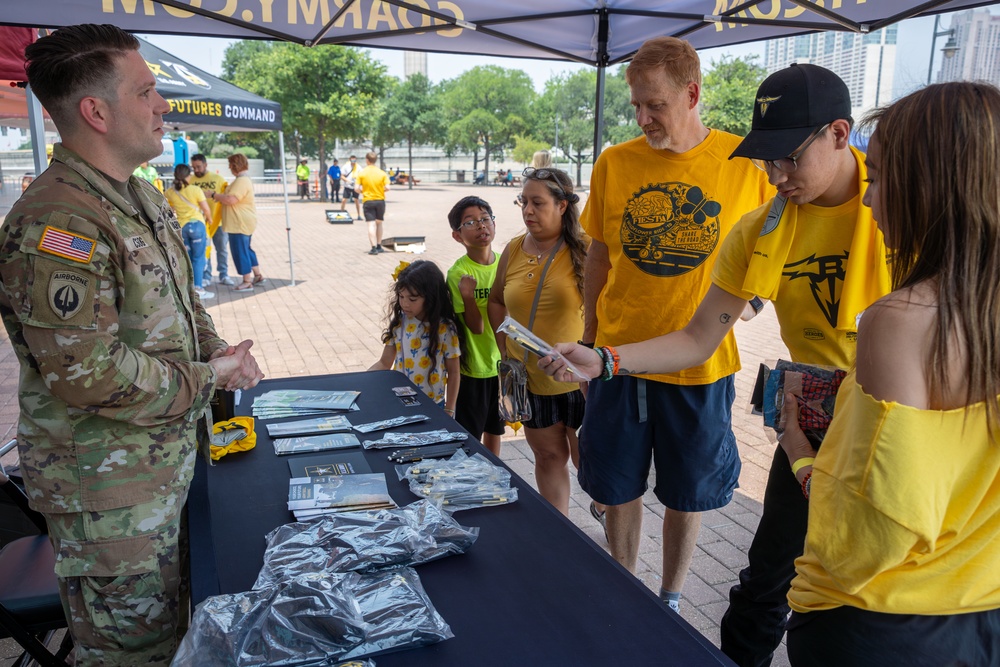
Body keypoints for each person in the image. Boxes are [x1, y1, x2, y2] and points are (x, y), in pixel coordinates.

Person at [541, 63, 891, 653]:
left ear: (838, 134)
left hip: (894, 421)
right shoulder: (763, 226)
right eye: (767, 160)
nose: (776, 175)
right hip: (813, 420)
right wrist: (607, 359)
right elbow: (700, 334)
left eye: (789, 158)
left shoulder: (902, 211)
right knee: (767, 582)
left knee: (870, 591)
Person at [0, 24, 264, 666]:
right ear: (95, 111)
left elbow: (182, 298)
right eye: (146, 91)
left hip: (164, 470)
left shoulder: (136, 194)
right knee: (136, 656)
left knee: (181, 638)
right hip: (111, 501)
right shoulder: (60, 220)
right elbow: (86, 373)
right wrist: (209, 377)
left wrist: (223, 353)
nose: (163, 105)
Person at [779, 81, 1000, 666]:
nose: (870, 200)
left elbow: (871, 538)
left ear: (935, 186)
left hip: (879, 623)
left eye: (878, 178)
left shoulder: (900, 321)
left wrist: (803, 455)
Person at [562, 36, 772, 612]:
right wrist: (588, 340)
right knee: (616, 486)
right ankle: (623, 587)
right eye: (635, 105)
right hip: (618, 357)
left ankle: (672, 598)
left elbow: (768, 255)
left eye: (654, 103)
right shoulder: (616, 162)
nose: (643, 117)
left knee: (690, 493)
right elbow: (599, 258)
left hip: (702, 368)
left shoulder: (744, 164)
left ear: (693, 93)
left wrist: (751, 306)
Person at [487, 167, 588, 517]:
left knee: (588, 463)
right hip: (530, 380)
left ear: (562, 205)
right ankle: (560, 528)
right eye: (523, 202)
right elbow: (497, 300)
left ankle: (606, 509)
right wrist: (505, 349)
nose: (528, 211)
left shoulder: (587, 249)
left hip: (580, 380)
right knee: (549, 457)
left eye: (537, 203)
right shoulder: (513, 249)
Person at [446, 196, 504, 455]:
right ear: (457, 236)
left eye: (485, 219)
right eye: (470, 222)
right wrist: (469, 296)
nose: (481, 226)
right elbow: (477, 327)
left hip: (503, 364)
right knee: (471, 431)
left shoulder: (507, 264)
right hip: (474, 369)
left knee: (496, 427)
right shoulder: (458, 274)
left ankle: (496, 472)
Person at [369, 260, 462, 415]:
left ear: (430, 297)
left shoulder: (445, 328)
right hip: (399, 401)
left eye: (412, 299)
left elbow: (454, 372)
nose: (405, 304)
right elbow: (385, 363)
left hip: (434, 406)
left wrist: (450, 409)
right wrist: (360, 380)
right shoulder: (400, 322)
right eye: (401, 296)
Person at [210, 153, 263, 291]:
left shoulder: (241, 181)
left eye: (230, 165)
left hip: (239, 223)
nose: (229, 168)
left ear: (235, 165)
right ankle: (257, 275)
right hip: (244, 221)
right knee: (246, 249)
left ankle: (247, 281)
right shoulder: (243, 180)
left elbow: (231, 199)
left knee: (240, 251)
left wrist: (214, 195)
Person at [164, 163, 215, 300]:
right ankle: (198, 288)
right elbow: (206, 209)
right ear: (188, 175)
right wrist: (210, 220)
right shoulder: (195, 189)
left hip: (182, 228)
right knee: (198, 258)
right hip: (198, 226)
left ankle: (188, 289)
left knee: (187, 258)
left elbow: (169, 208)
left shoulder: (170, 191)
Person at [190, 153, 233, 287]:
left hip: (218, 221)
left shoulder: (218, 179)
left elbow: (226, 196)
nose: (196, 170)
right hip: (200, 223)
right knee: (204, 250)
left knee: (222, 250)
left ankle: (224, 274)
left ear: (205, 165)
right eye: (194, 167)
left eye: (199, 167)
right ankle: (206, 275)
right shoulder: (190, 180)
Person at [356, 151, 390, 255]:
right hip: (380, 201)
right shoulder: (382, 173)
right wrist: (379, 190)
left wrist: (364, 191)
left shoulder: (362, 173)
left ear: (367, 160)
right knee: (379, 223)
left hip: (368, 201)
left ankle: (373, 248)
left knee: (371, 224)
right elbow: (388, 187)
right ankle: (379, 245)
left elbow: (356, 189)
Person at [340, 154, 362, 221]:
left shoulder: (358, 167)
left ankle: (359, 215)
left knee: (356, 200)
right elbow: (342, 176)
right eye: (352, 159)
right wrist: (347, 180)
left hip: (355, 186)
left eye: (355, 159)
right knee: (344, 200)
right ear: (350, 160)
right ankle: (342, 214)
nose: (353, 161)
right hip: (348, 186)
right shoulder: (346, 166)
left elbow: (361, 176)